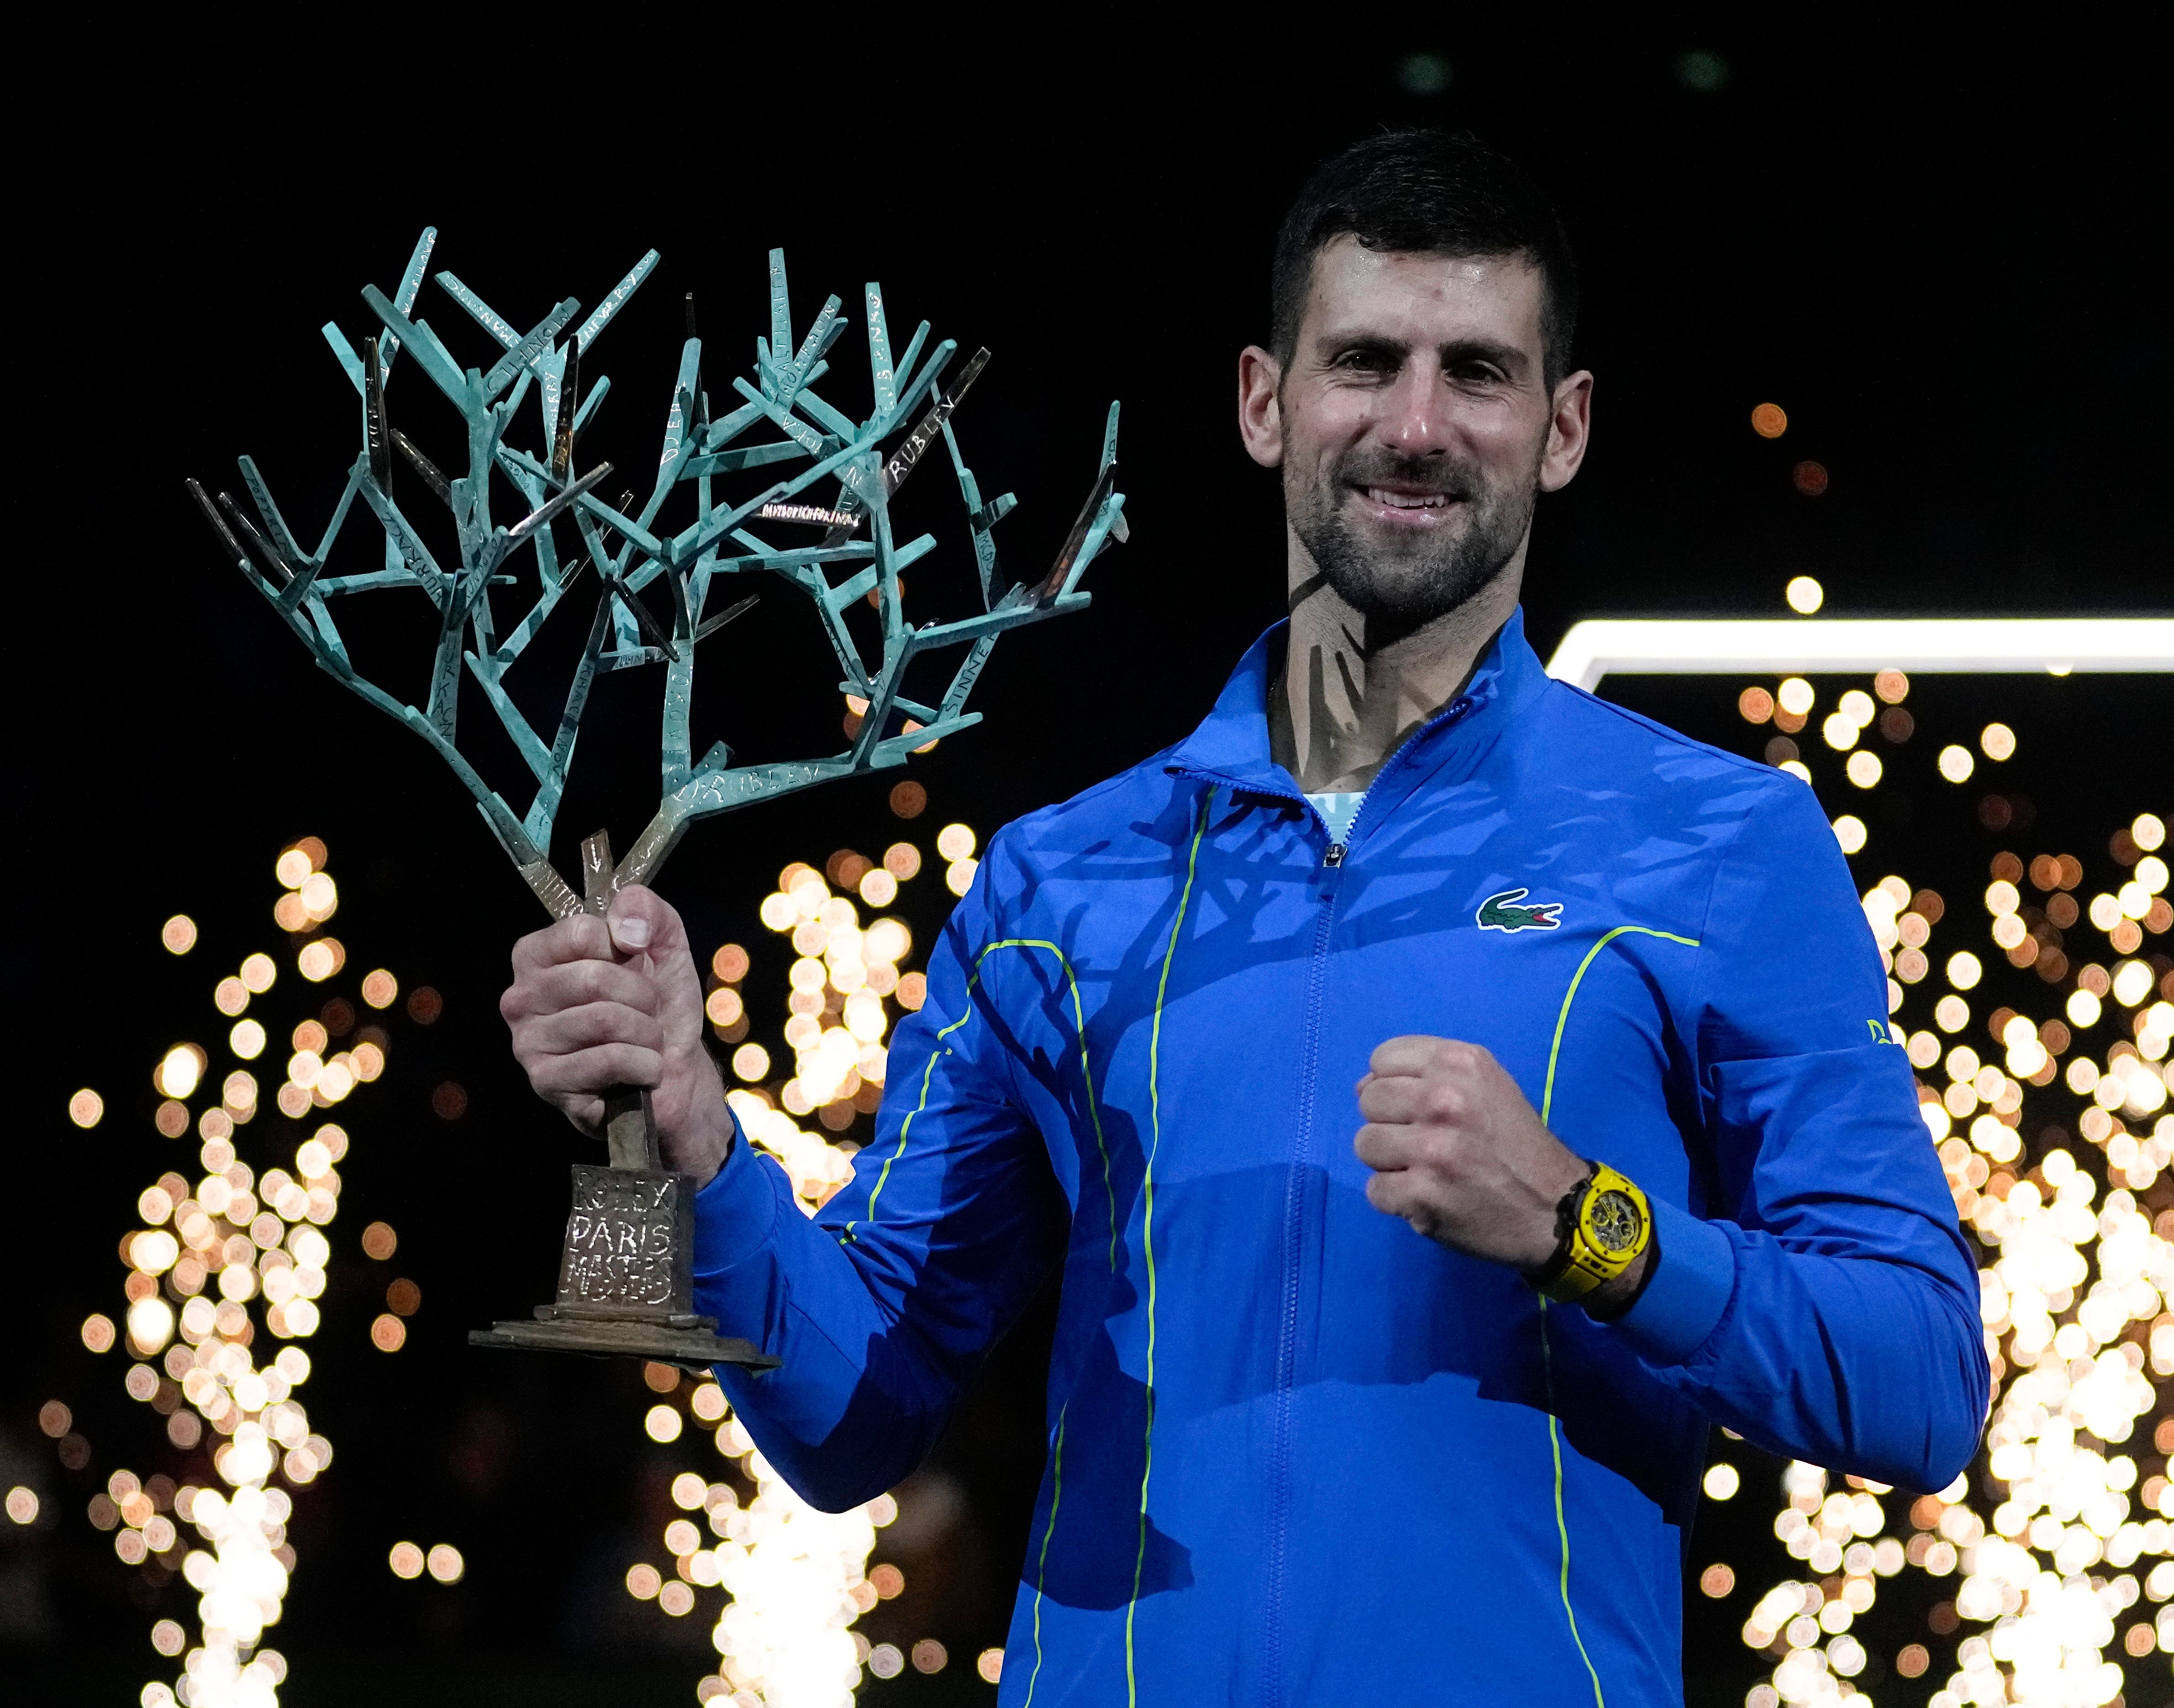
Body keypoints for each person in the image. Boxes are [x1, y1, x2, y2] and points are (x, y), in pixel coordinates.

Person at [502, 129, 1989, 1705]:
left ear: (1563, 430)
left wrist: (1584, 1226)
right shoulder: (1062, 883)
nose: (1415, 427)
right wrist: (699, 1151)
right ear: (1264, 400)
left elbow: (1919, 1380)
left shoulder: (1720, 845)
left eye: (1476, 373)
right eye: (1363, 362)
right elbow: (849, 1417)